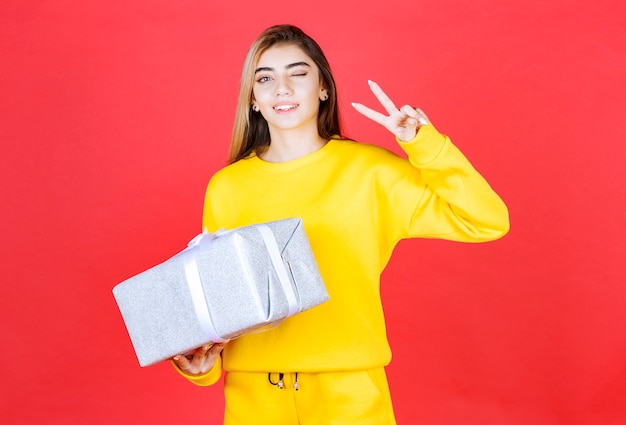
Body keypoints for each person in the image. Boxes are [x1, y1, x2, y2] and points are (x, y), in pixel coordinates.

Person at [172, 24, 509, 425]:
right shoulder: (227, 187)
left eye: (298, 73)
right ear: (254, 99)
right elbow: (226, 306)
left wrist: (425, 144)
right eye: (265, 78)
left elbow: (486, 220)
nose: (282, 88)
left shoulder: (370, 171)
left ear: (323, 89)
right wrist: (203, 368)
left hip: (348, 393)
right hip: (252, 395)